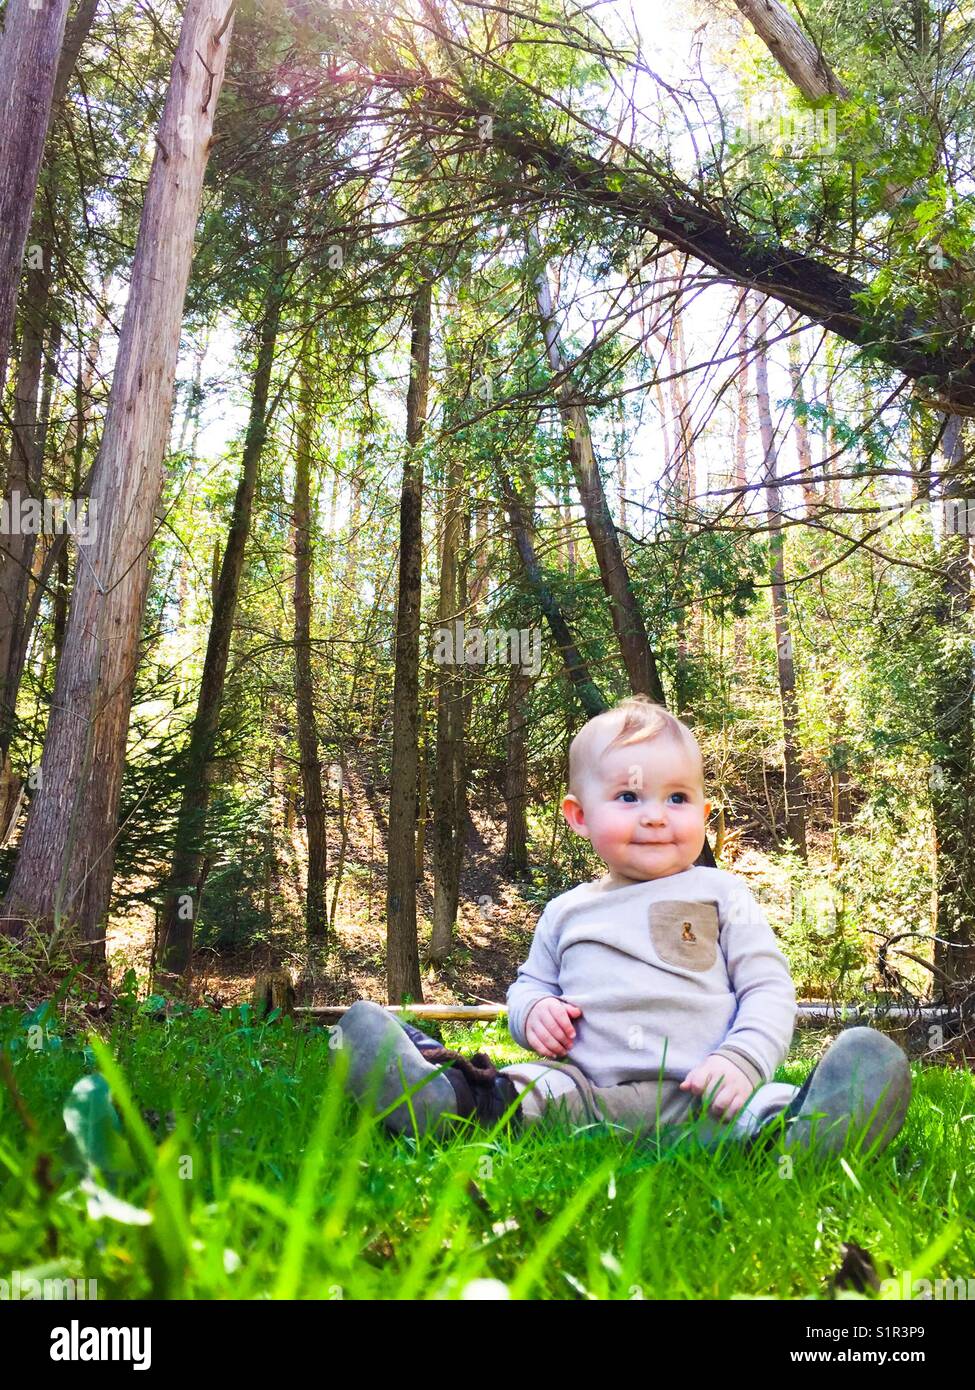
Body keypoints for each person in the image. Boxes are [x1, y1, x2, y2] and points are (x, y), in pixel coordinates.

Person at [336, 696, 912, 1158]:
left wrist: (740, 1061)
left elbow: (767, 990)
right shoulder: (567, 911)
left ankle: (810, 1131)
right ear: (580, 816)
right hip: (583, 1091)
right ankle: (443, 1101)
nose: (657, 814)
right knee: (518, 1093)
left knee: (761, 1109)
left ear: (705, 814)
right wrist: (533, 1013)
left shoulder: (720, 893)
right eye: (629, 796)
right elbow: (530, 987)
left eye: (679, 797)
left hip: (703, 1095)